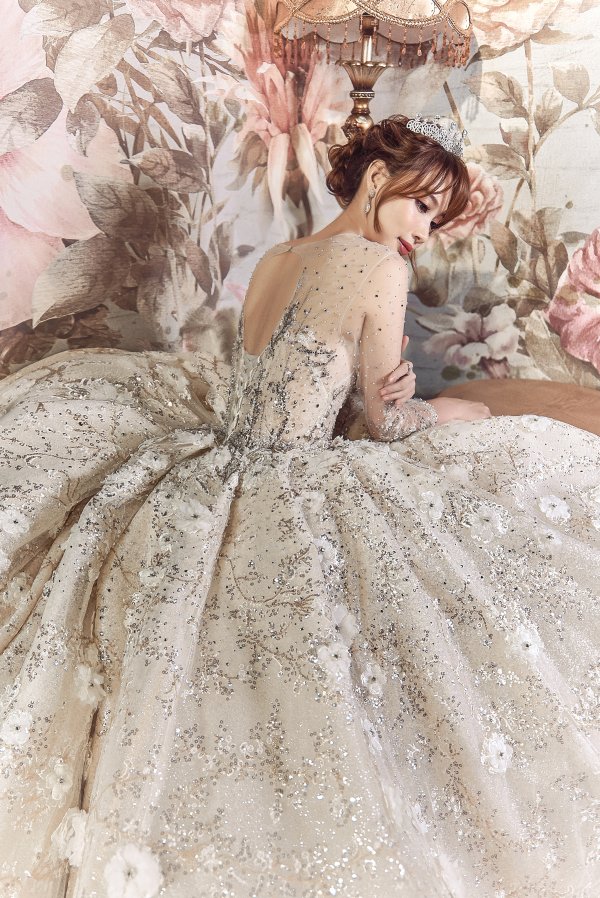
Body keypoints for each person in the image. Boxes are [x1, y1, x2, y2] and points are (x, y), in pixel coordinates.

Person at [0, 113, 598, 898]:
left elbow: (290, 383)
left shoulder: (280, 256)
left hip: (217, 461)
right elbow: (384, 423)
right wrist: (449, 410)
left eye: (438, 218)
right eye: (423, 206)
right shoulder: (377, 266)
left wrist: (374, 394)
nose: (425, 232)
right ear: (378, 180)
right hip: (296, 473)